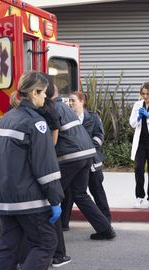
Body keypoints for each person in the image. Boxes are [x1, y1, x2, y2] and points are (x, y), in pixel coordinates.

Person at [0, 71, 64, 270]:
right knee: (46, 243)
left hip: (4, 200)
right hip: (28, 200)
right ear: (34, 93)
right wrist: (55, 199)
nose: (45, 100)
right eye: (43, 95)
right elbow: (45, 166)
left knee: (8, 249)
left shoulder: (5, 119)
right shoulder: (36, 122)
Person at [52, 82, 115, 247]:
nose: (71, 103)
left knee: (53, 193)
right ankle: (105, 229)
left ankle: (51, 241)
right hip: (85, 155)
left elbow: (55, 135)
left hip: (74, 156)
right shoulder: (66, 109)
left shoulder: (54, 108)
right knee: (80, 194)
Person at [68, 91, 111, 222]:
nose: (70, 103)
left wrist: (86, 149)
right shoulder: (68, 119)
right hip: (75, 163)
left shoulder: (93, 117)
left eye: (73, 101)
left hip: (92, 162)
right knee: (69, 194)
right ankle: (64, 223)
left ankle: (106, 220)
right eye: (69, 101)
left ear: (82, 102)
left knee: (97, 191)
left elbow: (99, 136)